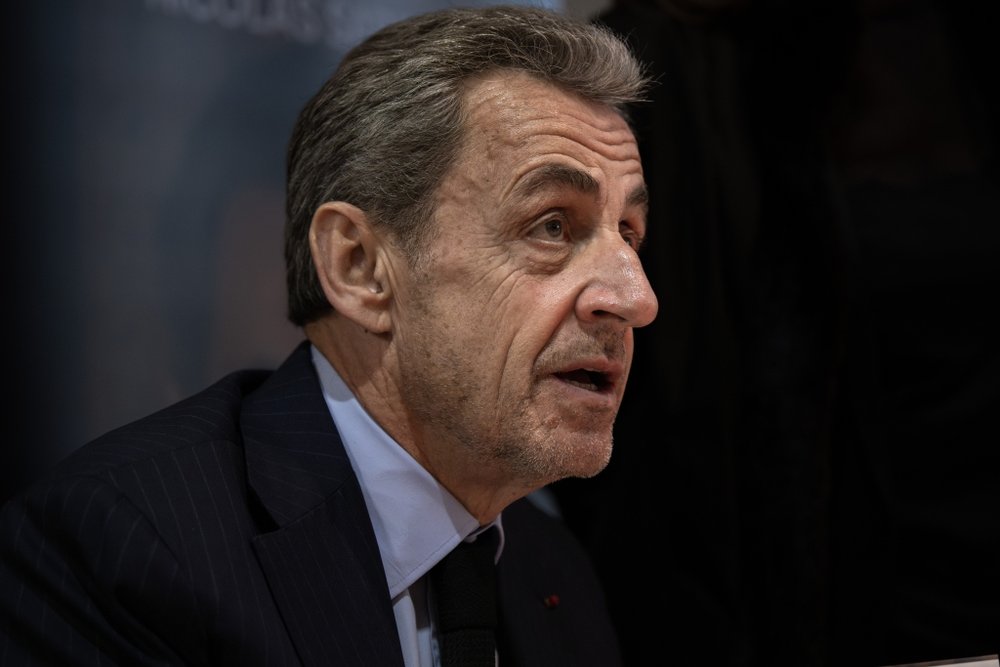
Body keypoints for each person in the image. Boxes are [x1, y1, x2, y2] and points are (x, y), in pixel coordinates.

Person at [0, 5, 657, 665]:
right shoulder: (127, 546)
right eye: (552, 226)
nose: (637, 299)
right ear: (359, 267)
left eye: (629, 234)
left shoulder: (555, 570)